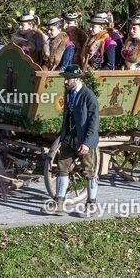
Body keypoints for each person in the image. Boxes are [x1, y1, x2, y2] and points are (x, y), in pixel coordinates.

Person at [44, 64, 99, 217]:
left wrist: (87, 143)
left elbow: (94, 122)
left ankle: (91, 205)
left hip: (84, 141)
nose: (65, 81)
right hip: (69, 138)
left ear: (76, 78)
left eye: (68, 79)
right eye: (65, 79)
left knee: (89, 171)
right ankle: (59, 203)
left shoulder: (89, 96)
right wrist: (63, 136)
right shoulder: (69, 94)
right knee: (62, 168)